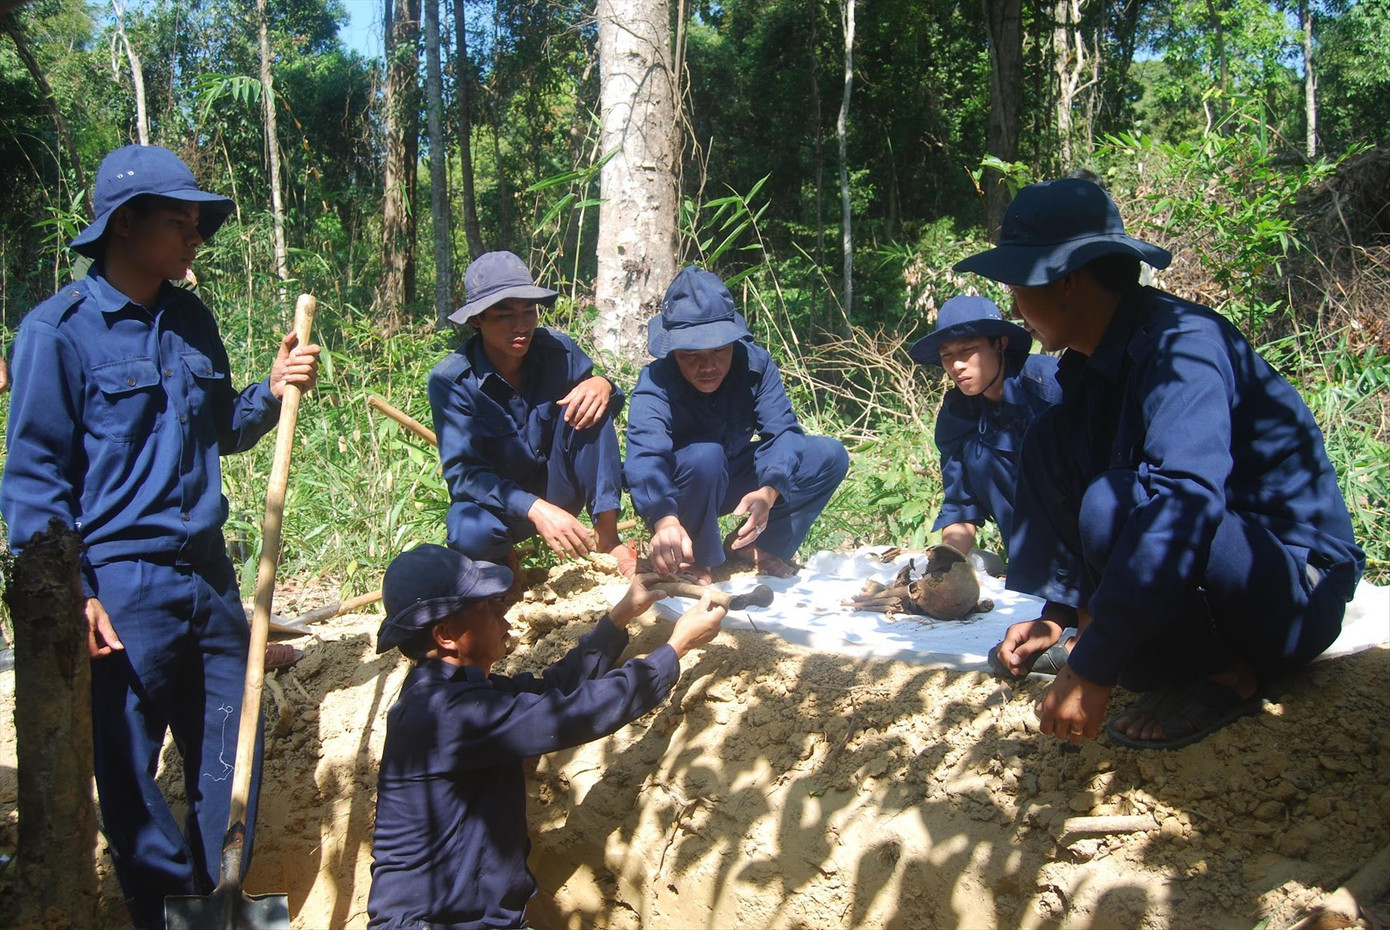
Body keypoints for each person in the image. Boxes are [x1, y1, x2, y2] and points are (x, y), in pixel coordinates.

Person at [0, 143, 320, 927]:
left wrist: (269, 392)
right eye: (178, 222)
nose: (193, 238)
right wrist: (74, 594)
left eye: (197, 225)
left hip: (208, 579)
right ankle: (161, 910)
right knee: (128, 770)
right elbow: (35, 479)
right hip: (120, 582)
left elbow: (222, 428)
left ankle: (214, 900)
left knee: (225, 760)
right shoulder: (58, 333)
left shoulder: (190, 320)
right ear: (123, 226)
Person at [955, 177, 1364, 749]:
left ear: (1066, 282)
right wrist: (1065, 616)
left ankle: (1227, 675)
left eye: (1017, 288)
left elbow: (1185, 504)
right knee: (1052, 437)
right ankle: (1130, 644)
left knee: (1118, 504)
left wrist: (1093, 667)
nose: (1015, 309)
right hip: (1210, 580)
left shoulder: (1182, 349)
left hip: (1292, 590)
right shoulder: (1094, 367)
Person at [367, 544, 725, 929]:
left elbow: (550, 692)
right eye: (490, 608)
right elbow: (573, 715)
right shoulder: (447, 716)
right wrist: (676, 647)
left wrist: (619, 617)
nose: (507, 620)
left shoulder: (452, 693)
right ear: (446, 634)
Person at [625, 267, 849, 583]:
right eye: (691, 355)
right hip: (682, 489)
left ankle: (757, 544)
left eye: (719, 350)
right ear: (673, 351)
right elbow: (645, 459)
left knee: (828, 455)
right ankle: (696, 556)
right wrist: (663, 520)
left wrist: (769, 491)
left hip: (734, 475)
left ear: (733, 342)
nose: (707, 366)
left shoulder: (755, 364)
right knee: (706, 455)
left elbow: (783, 431)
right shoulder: (655, 381)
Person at [429, 250, 633, 574]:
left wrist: (603, 385)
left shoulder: (558, 352)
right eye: (505, 315)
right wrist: (535, 509)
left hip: (557, 486)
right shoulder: (452, 381)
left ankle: (608, 538)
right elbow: (465, 476)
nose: (521, 325)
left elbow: (600, 417)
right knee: (468, 529)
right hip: (501, 506)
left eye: (529, 311)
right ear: (477, 319)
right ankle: (500, 574)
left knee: (593, 407)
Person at [908, 294, 1061, 571]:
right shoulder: (958, 414)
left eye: (967, 350)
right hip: (1030, 564)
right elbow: (960, 504)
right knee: (977, 454)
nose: (957, 366)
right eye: (947, 356)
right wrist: (943, 568)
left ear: (1000, 344)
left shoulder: (1053, 386)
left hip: (1092, 550)